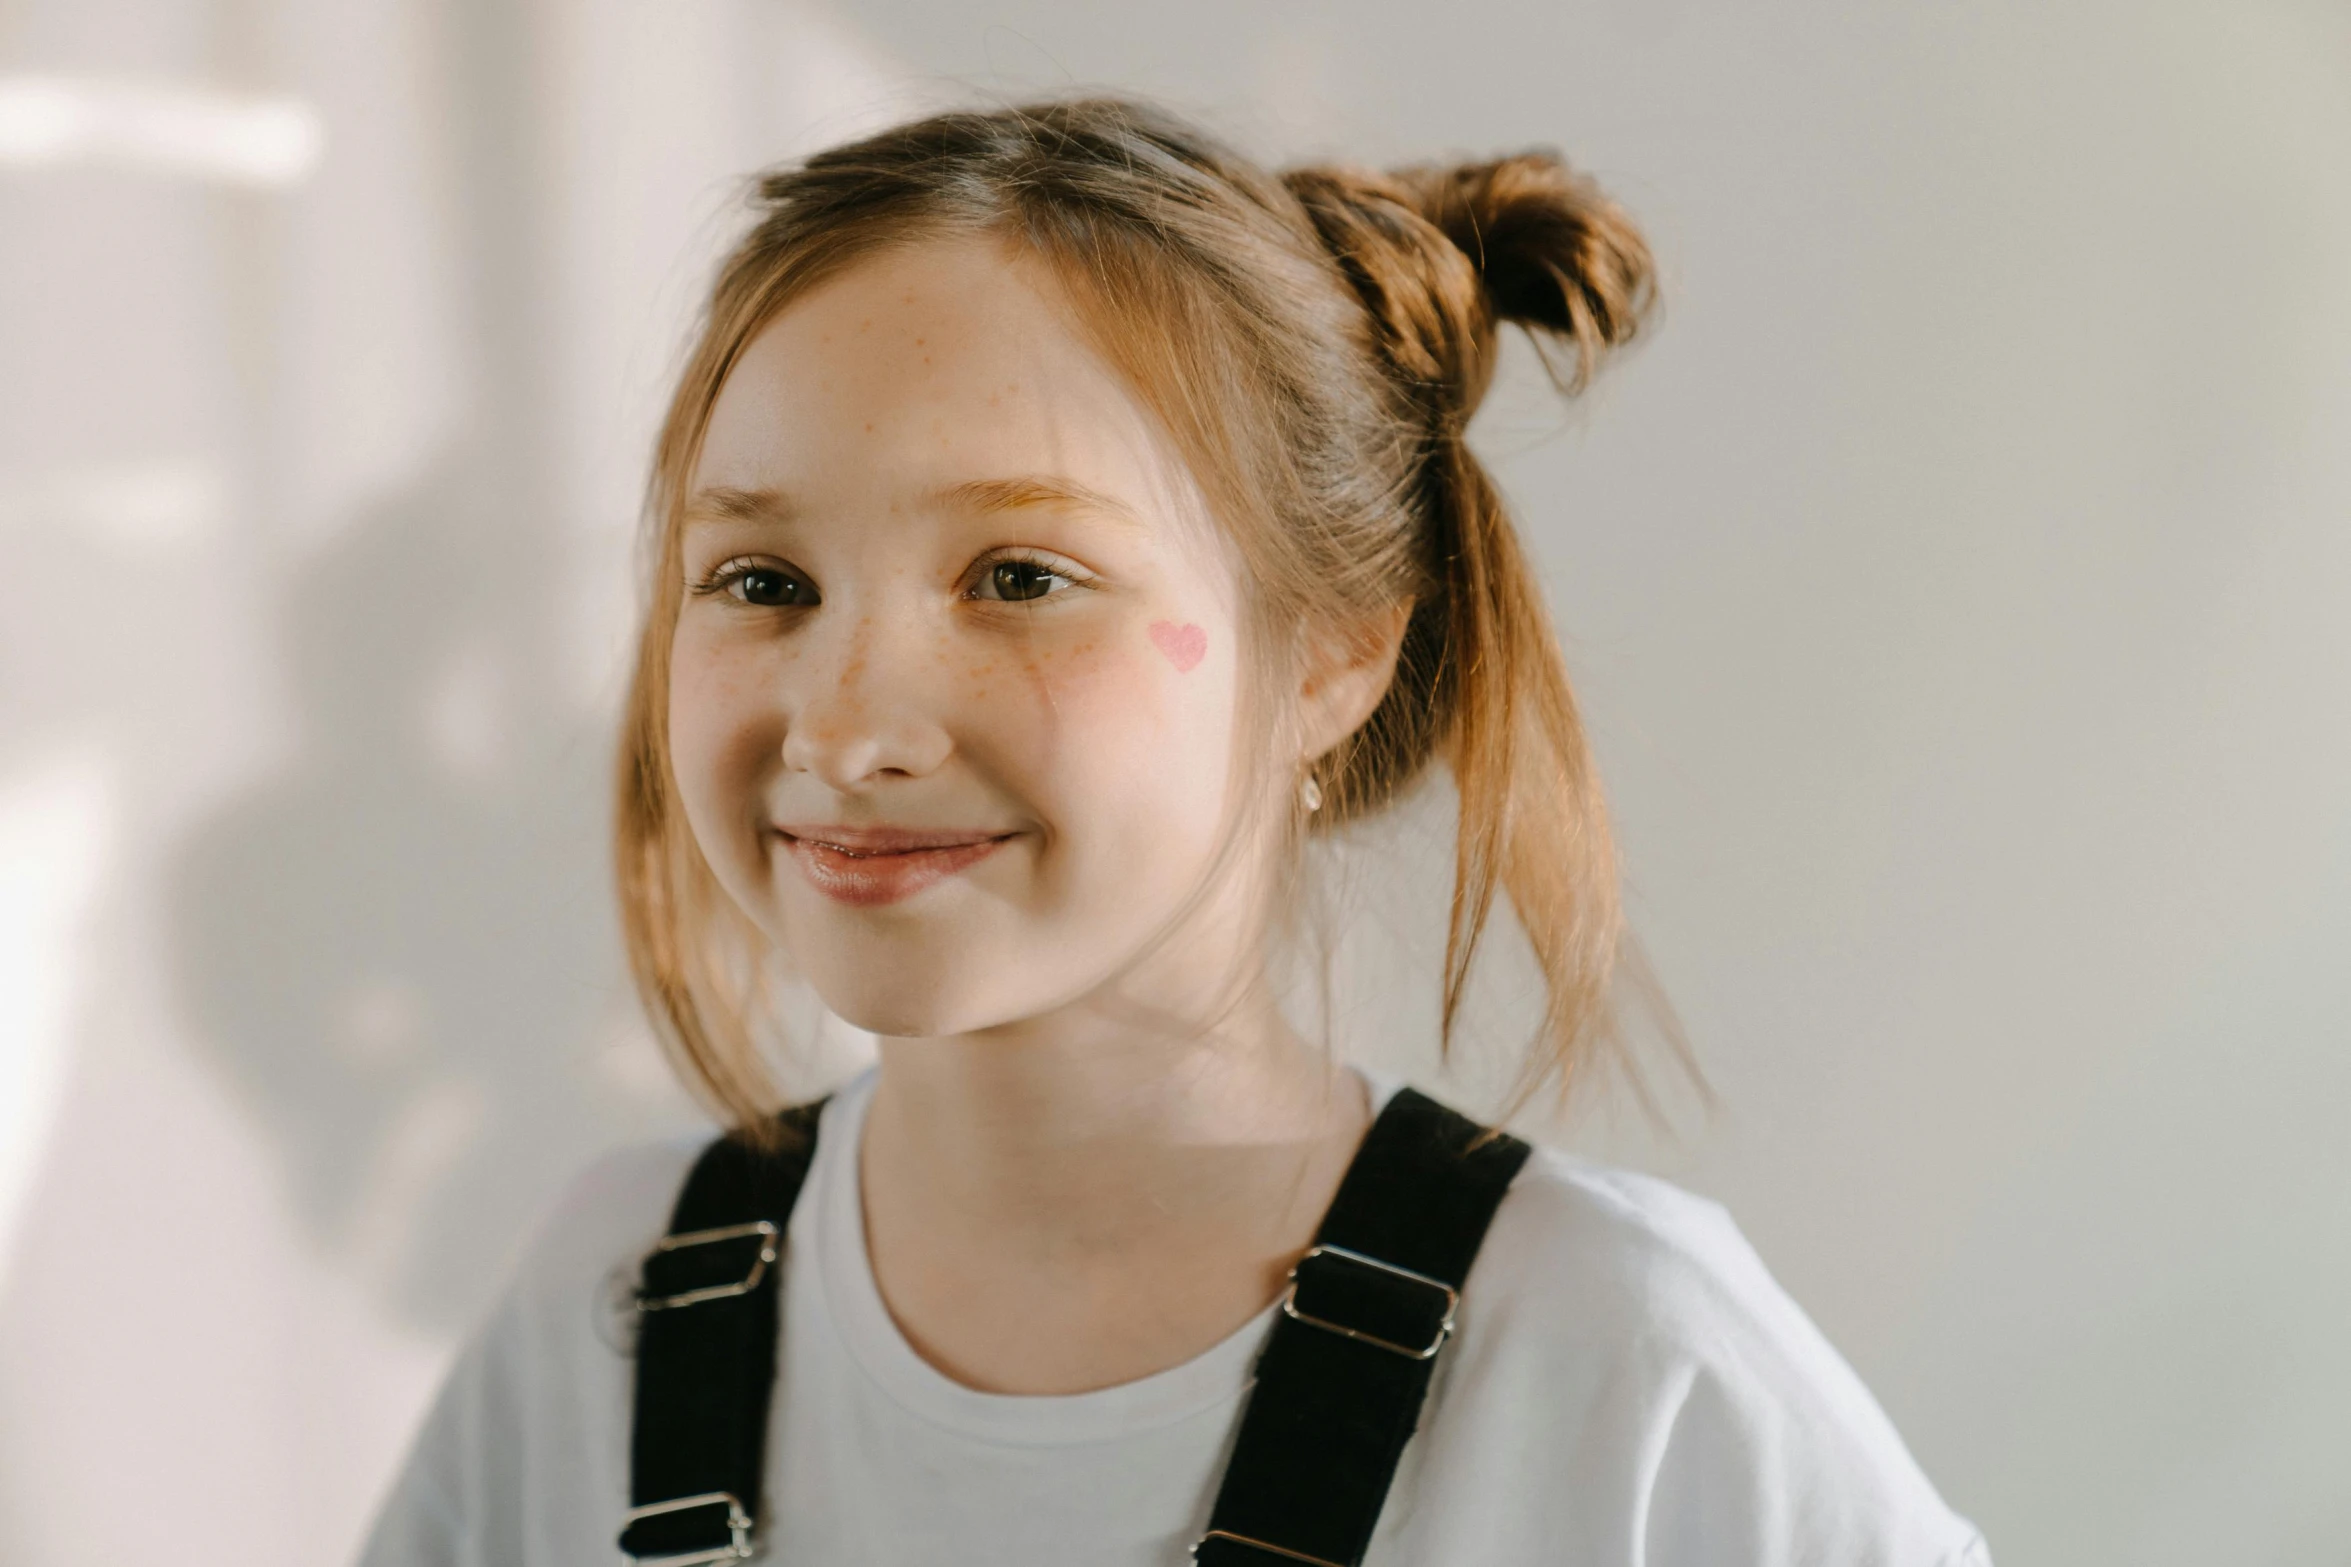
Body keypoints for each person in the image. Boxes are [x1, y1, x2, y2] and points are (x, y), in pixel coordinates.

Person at [358, 97, 1991, 1567]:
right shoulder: (614, 1299)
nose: (848, 727)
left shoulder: (1620, 1366)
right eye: (762, 583)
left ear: (1337, 646)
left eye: (1019, 578)